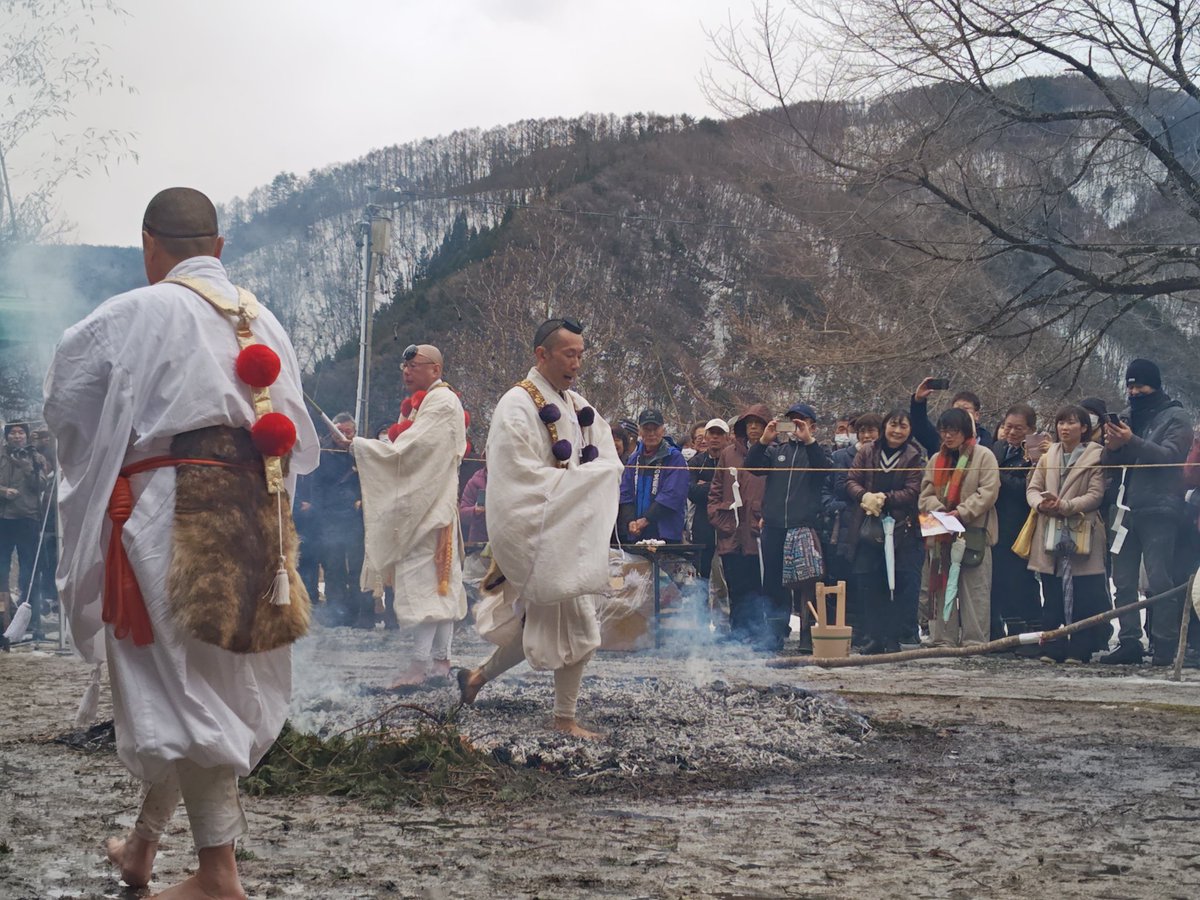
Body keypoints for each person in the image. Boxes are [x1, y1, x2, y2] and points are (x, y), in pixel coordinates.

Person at [43, 187, 319, 898]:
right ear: (218, 249)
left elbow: (66, 400)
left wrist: (107, 453)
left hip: (169, 507)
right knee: (196, 677)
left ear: (148, 245)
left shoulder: (138, 310)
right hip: (256, 508)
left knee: (180, 686)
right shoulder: (267, 321)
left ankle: (217, 875)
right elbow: (298, 435)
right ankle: (141, 849)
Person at [457, 317, 624, 738]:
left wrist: (591, 479)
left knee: (545, 623)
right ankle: (564, 719)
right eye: (570, 354)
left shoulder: (575, 402)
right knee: (579, 625)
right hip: (538, 531)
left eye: (581, 355)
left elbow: (603, 451)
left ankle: (476, 678)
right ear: (541, 355)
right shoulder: (516, 403)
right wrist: (574, 486)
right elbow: (516, 476)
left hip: (566, 530)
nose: (577, 363)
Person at [350, 343, 468, 686]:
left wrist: (360, 446)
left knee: (428, 585)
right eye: (404, 365)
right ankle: (441, 661)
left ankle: (420, 665)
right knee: (440, 585)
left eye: (413, 365)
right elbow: (408, 449)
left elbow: (411, 451)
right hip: (432, 506)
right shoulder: (430, 402)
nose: (406, 370)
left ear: (435, 368)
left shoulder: (443, 402)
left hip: (430, 510)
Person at [1098, 359, 1193, 665]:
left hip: (1160, 506)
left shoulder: (1176, 416)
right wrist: (1112, 446)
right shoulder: (1126, 417)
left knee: (1158, 578)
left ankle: (1164, 644)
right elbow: (1106, 463)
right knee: (1123, 580)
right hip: (1124, 507)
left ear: (1156, 385)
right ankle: (1128, 641)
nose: (1134, 391)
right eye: (1130, 385)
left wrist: (1131, 440)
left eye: (1140, 385)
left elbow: (1170, 457)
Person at [744, 402, 833, 651]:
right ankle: (774, 634)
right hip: (773, 526)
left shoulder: (818, 451)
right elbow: (750, 467)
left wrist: (809, 441)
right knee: (773, 583)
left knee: (805, 584)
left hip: (802, 526)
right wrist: (763, 441)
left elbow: (824, 472)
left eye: (801, 422)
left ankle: (806, 635)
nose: (795, 426)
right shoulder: (776, 451)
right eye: (791, 421)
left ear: (812, 426)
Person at [1025, 406, 1111, 663]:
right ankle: (1053, 647)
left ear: (1084, 428)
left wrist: (1066, 506)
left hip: (1081, 528)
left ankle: (1080, 649)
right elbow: (1033, 487)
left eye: (1071, 423)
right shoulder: (1048, 455)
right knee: (1051, 591)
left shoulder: (1096, 456)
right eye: (1061, 422)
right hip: (1050, 527)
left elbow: (1096, 495)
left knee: (1083, 592)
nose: (1064, 428)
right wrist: (1040, 504)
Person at [844, 409, 924, 653]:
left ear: (909, 431)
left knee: (899, 584)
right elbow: (851, 480)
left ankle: (893, 638)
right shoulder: (868, 451)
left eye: (903, 426)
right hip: (868, 525)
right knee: (869, 582)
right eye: (893, 425)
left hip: (902, 529)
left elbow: (913, 490)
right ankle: (874, 637)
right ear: (884, 427)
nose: (897, 431)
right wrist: (864, 495)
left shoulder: (914, 456)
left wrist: (885, 498)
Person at [919, 408, 1000, 647]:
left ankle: (974, 641)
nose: (947, 436)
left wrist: (962, 512)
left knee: (975, 590)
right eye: (943, 431)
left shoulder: (984, 456)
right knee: (939, 588)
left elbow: (988, 492)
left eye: (953, 430)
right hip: (940, 531)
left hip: (973, 531)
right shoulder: (936, 459)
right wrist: (941, 510)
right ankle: (942, 638)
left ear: (965, 431)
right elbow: (925, 495)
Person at [708, 404, 768, 642]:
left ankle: (758, 633)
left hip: (759, 529)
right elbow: (715, 490)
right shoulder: (728, 453)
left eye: (758, 423)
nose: (753, 427)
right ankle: (737, 632)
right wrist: (718, 517)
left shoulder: (773, 453)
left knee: (758, 583)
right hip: (731, 528)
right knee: (734, 584)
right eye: (749, 423)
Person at [990, 403, 1043, 639]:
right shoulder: (997, 449)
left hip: (1022, 524)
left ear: (1030, 429)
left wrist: (997, 476)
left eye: (1019, 429)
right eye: (1008, 427)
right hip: (997, 523)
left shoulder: (1036, 454)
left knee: (1022, 582)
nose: (1012, 433)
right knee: (999, 580)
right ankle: (1004, 632)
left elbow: (1028, 488)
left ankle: (1030, 633)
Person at [313, 413, 372, 627]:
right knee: (333, 567)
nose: (343, 436)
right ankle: (336, 614)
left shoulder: (360, 453)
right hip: (330, 517)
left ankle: (361, 614)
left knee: (358, 567)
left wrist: (359, 500)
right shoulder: (323, 453)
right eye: (339, 431)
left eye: (348, 432)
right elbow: (317, 487)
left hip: (356, 518)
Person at [0, 422, 48, 635]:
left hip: (29, 519)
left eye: (21, 432)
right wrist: (3, 491)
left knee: (30, 571)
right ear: (6, 436)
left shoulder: (36, 458)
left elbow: (42, 486)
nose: (17, 436)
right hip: (3, 519)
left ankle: (31, 620)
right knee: (1, 571)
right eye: (13, 432)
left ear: (27, 436)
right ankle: (2, 617)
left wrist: (28, 467)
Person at [618, 409, 690, 543]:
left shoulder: (675, 458)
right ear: (640, 431)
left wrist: (646, 519)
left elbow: (672, 495)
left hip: (665, 533)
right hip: (637, 533)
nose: (651, 434)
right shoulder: (633, 460)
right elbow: (625, 493)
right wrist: (630, 521)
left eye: (655, 429)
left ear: (663, 430)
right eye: (646, 429)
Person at [688, 418, 728, 581]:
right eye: (712, 433)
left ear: (727, 437)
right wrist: (720, 486)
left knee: (728, 571)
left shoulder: (733, 460)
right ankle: (701, 605)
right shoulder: (696, 462)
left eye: (719, 434)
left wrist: (706, 486)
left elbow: (735, 489)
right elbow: (692, 491)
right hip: (702, 521)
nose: (715, 438)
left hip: (728, 520)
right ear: (706, 436)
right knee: (702, 570)